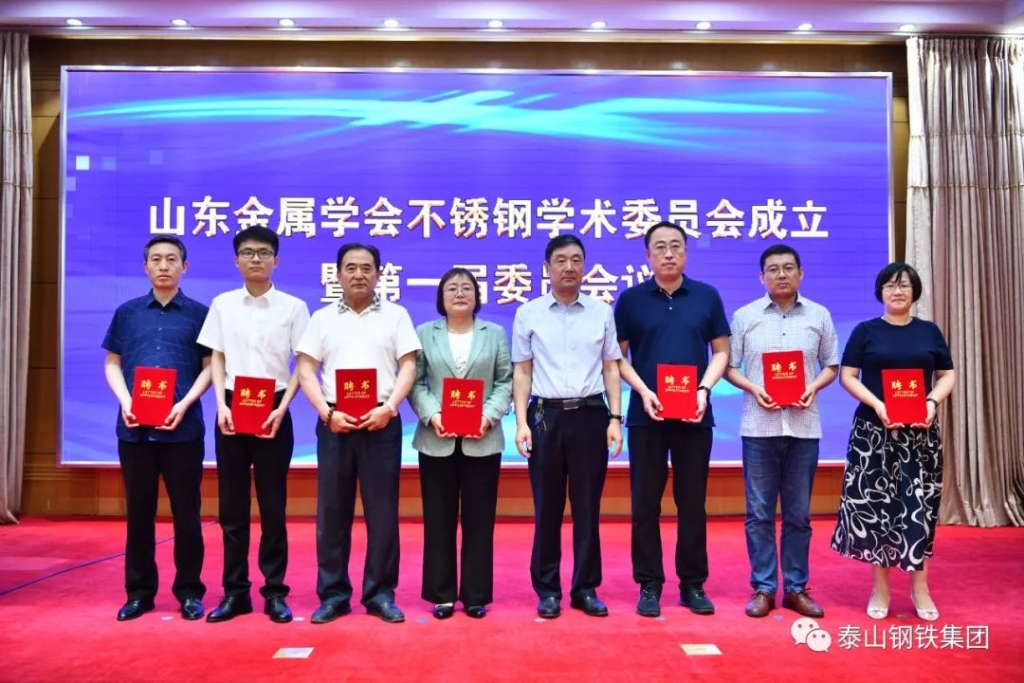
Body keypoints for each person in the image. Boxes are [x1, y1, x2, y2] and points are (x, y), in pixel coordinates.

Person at [296, 243, 421, 624]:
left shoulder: (396, 316)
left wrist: (390, 408)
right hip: (335, 423)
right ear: (338, 275)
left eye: (367, 268)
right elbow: (306, 369)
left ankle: (380, 593)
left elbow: (409, 366)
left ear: (379, 274)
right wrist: (326, 413)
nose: (359, 274)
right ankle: (333, 594)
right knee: (332, 512)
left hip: (381, 423)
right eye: (350, 267)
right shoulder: (321, 318)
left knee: (382, 514)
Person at [615, 221, 730, 618]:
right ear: (647, 255)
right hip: (646, 414)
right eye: (660, 247)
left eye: (676, 246)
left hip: (695, 414)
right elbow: (617, 358)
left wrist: (704, 390)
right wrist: (643, 391)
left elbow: (721, 352)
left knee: (692, 501)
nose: (668, 253)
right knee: (645, 503)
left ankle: (692, 584)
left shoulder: (706, 296)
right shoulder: (631, 300)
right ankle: (649, 584)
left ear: (686, 252)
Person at [830, 262, 955, 622]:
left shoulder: (929, 331)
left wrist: (931, 402)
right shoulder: (865, 331)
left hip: (919, 435)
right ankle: (880, 588)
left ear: (914, 292)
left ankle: (920, 588)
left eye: (904, 285)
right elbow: (848, 376)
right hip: (873, 434)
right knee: (878, 510)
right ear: (880, 292)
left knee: (919, 509)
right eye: (889, 285)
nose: (897, 291)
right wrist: (878, 404)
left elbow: (947, 374)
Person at [197, 226, 310, 624]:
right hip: (231, 408)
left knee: (273, 507)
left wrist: (283, 408)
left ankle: (275, 592)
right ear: (236, 261)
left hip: (274, 408)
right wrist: (220, 405)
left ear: (276, 260)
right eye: (248, 252)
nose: (256, 259)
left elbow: (303, 363)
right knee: (232, 508)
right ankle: (235, 592)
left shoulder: (294, 307)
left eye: (263, 252)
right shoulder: (223, 304)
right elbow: (216, 356)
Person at [512, 234, 623, 619]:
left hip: (591, 414)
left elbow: (611, 368)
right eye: (561, 260)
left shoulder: (601, 312)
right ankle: (547, 589)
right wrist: (521, 422)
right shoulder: (529, 313)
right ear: (547, 268)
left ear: (585, 266)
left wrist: (615, 419)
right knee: (547, 506)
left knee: (588, 507)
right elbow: (522, 371)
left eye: (576, 259)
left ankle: (585, 588)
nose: (569, 267)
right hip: (545, 417)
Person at [725, 245, 839, 619]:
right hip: (759, 427)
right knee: (759, 512)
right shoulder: (745, 316)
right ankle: (763, 588)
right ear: (762, 277)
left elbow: (831, 365)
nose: (781, 274)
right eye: (773, 269)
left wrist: (812, 387)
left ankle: (795, 588)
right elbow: (730, 366)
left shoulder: (819, 315)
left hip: (804, 427)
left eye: (788, 268)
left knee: (798, 514)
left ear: (801, 273)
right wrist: (754, 388)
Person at [101, 236, 211, 622]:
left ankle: (190, 591)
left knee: (187, 515)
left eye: (172, 259)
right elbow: (113, 362)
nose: (164, 266)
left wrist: (184, 403)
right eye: (156, 259)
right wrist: (126, 401)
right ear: (145, 266)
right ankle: (139, 593)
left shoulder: (200, 314)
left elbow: (210, 367)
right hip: (134, 431)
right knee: (139, 513)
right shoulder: (127, 312)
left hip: (183, 430)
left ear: (185, 266)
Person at [408, 268, 513, 620]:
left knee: (479, 520)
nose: (459, 293)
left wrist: (487, 417)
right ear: (441, 297)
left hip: (482, 440)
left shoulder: (494, 333)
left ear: (476, 296)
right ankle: (441, 594)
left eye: (466, 287)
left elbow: (505, 381)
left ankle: (475, 594)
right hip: (436, 440)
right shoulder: (425, 333)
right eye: (451, 288)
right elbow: (415, 382)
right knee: (438, 520)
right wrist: (433, 415)